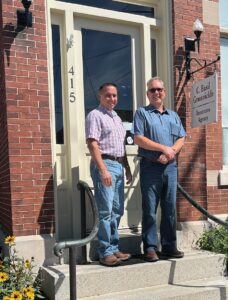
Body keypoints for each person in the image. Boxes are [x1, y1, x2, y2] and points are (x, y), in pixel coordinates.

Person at [133, 77, 186, 262]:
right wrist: (163, 149)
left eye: (159, 90)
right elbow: (138, 138)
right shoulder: (142, 113)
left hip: (170, 167)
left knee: (170, 208)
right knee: (150, 208)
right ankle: (150, 247)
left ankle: (169, 246)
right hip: (150, 166)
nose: (156, 93)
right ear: (148, 93)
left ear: (164, 92)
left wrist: (170, 153)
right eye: (152, 90)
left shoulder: (173, 115)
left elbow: (181, 138)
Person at [85, 83, 132, 267]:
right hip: (105, 164)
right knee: (105, 212)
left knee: (117, 210)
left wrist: (127, 167)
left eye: (114, 95)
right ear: (100, 96)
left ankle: (113, 247)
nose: (112, 98)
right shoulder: (95, 115)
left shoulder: (117, 118)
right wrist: (103, 169)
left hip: (118, 165)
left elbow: (122, 146)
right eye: (108, 95)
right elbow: (92, 144)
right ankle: (104, 252)